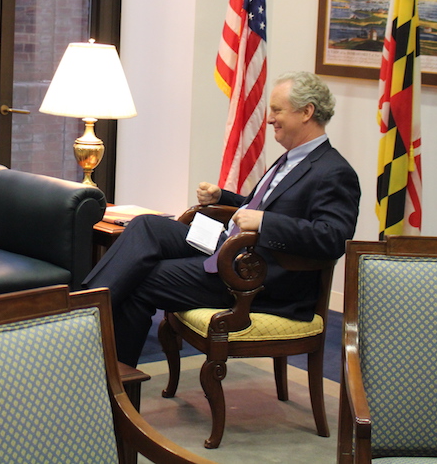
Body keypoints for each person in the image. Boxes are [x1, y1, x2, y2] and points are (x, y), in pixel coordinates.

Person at [84, 71, 360, 366]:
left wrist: (265, 223)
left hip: (258, 277)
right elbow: (263, 206)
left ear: (307, 112)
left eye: (277, 110)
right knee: (147, 224)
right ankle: (82, 308)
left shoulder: (333, 171)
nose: (269, 119)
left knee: (143, 278)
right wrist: (223, 198)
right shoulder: (291, 159)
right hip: (232, 251)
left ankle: (109, 374)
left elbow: (332, 238)